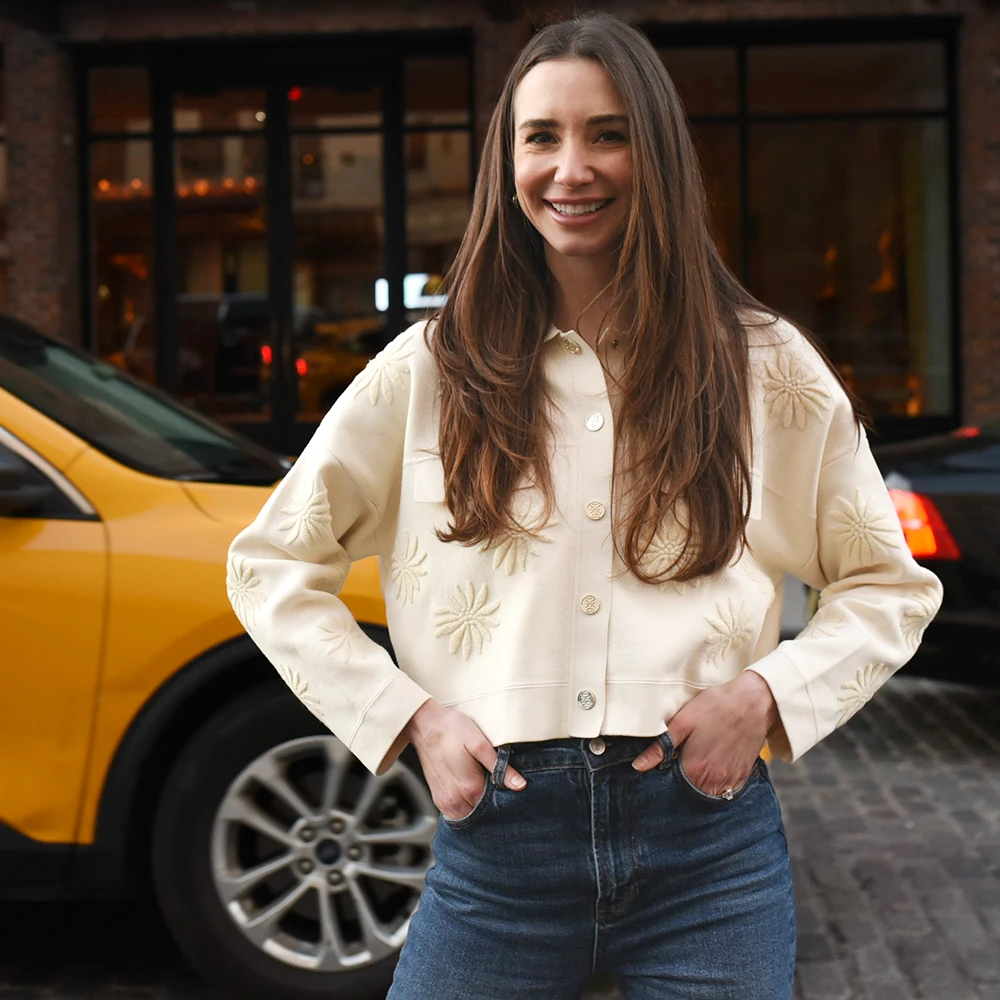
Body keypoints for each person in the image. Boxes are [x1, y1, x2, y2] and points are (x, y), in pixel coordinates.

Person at [227, 13, 943, 999]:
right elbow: (268, 564)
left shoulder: (761, 364)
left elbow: (885, 585)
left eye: (608, 133)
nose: (574, 168)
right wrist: (411, 720)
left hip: (710, 858)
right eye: (543, 137)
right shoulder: (430, 371)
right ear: (506, 161)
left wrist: (764, 697)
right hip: (497, 857)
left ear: (655, 152)